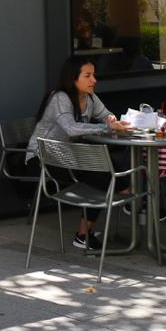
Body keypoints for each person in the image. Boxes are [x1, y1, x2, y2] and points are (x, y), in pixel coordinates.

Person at [26, 56, 131, 250]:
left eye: (94, 75)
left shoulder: (89, 97)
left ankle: (127, 201)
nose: (94, 80)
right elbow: (71, 128)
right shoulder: (60, 98)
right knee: (102, 172)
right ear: (72, 78)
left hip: (68, 157)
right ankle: (128, 200)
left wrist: (111, 120)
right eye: (87, 75)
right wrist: (105, 128)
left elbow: (106, 115)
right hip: (42, 158)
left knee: (105, 166)